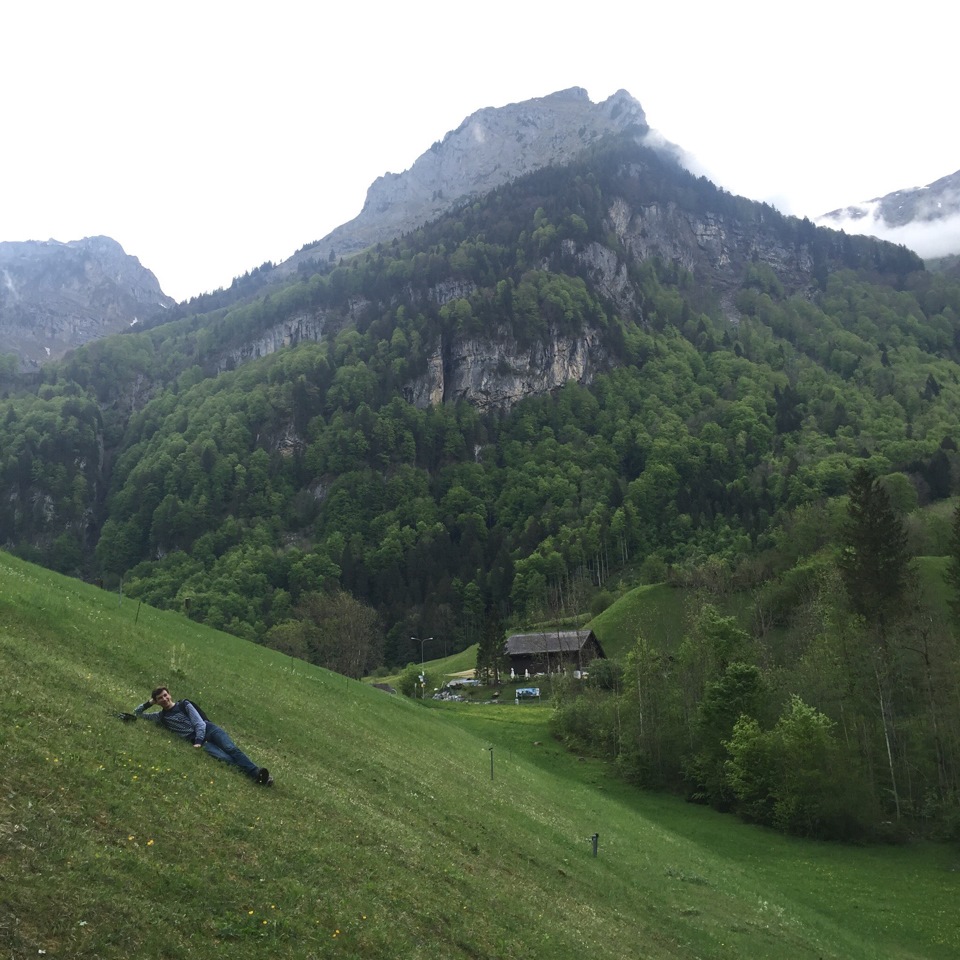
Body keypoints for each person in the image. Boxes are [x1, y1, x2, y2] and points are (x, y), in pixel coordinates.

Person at [133, 686, 273, 786]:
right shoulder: (161, 716)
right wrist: (149, 703)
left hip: (209, 730)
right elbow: (137, 713)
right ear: (157, 702)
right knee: (225, 759)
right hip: (199, 741)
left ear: (170, 694)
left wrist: (198, 741)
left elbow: (199, 723)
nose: (164, 699)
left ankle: (257, 772)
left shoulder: (184, 705)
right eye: (160, 698)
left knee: (231, 749)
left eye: (165, 695)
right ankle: (260, 777)